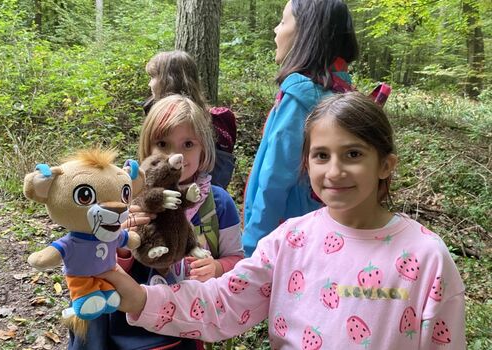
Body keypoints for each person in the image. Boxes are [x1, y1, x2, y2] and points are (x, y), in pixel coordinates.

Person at [101, 92, 466, 349]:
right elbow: (222, 304)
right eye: (321, 155)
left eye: (353, 154)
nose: (335, 170)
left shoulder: (425, 257)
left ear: (385, 163)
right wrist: (140, 299)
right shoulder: (290, 239)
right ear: (307, 164)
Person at [68, 95, 243, 349]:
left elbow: (237, 260)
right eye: (163, 143)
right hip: (133, 330)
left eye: (188, 144)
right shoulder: (126, 197)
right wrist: (123, 245)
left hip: (190, 323)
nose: (176, 155)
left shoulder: (219, 204)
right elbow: (99, 265)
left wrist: (217, 268)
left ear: (204, 148)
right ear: (147, 147)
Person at [242, 0, 359, 257]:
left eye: (283, 21)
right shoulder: (344, 95)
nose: (275, 29)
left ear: (306, 33)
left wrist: (253, 247)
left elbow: (274, 179)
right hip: (326, 239)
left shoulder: (299, 98)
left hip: (282, 242)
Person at [144, 50, 237, 190]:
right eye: (162, 144)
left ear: (167, 80)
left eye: (153, 77)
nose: (150, 84)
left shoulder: (191, 123)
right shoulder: (213, 121)